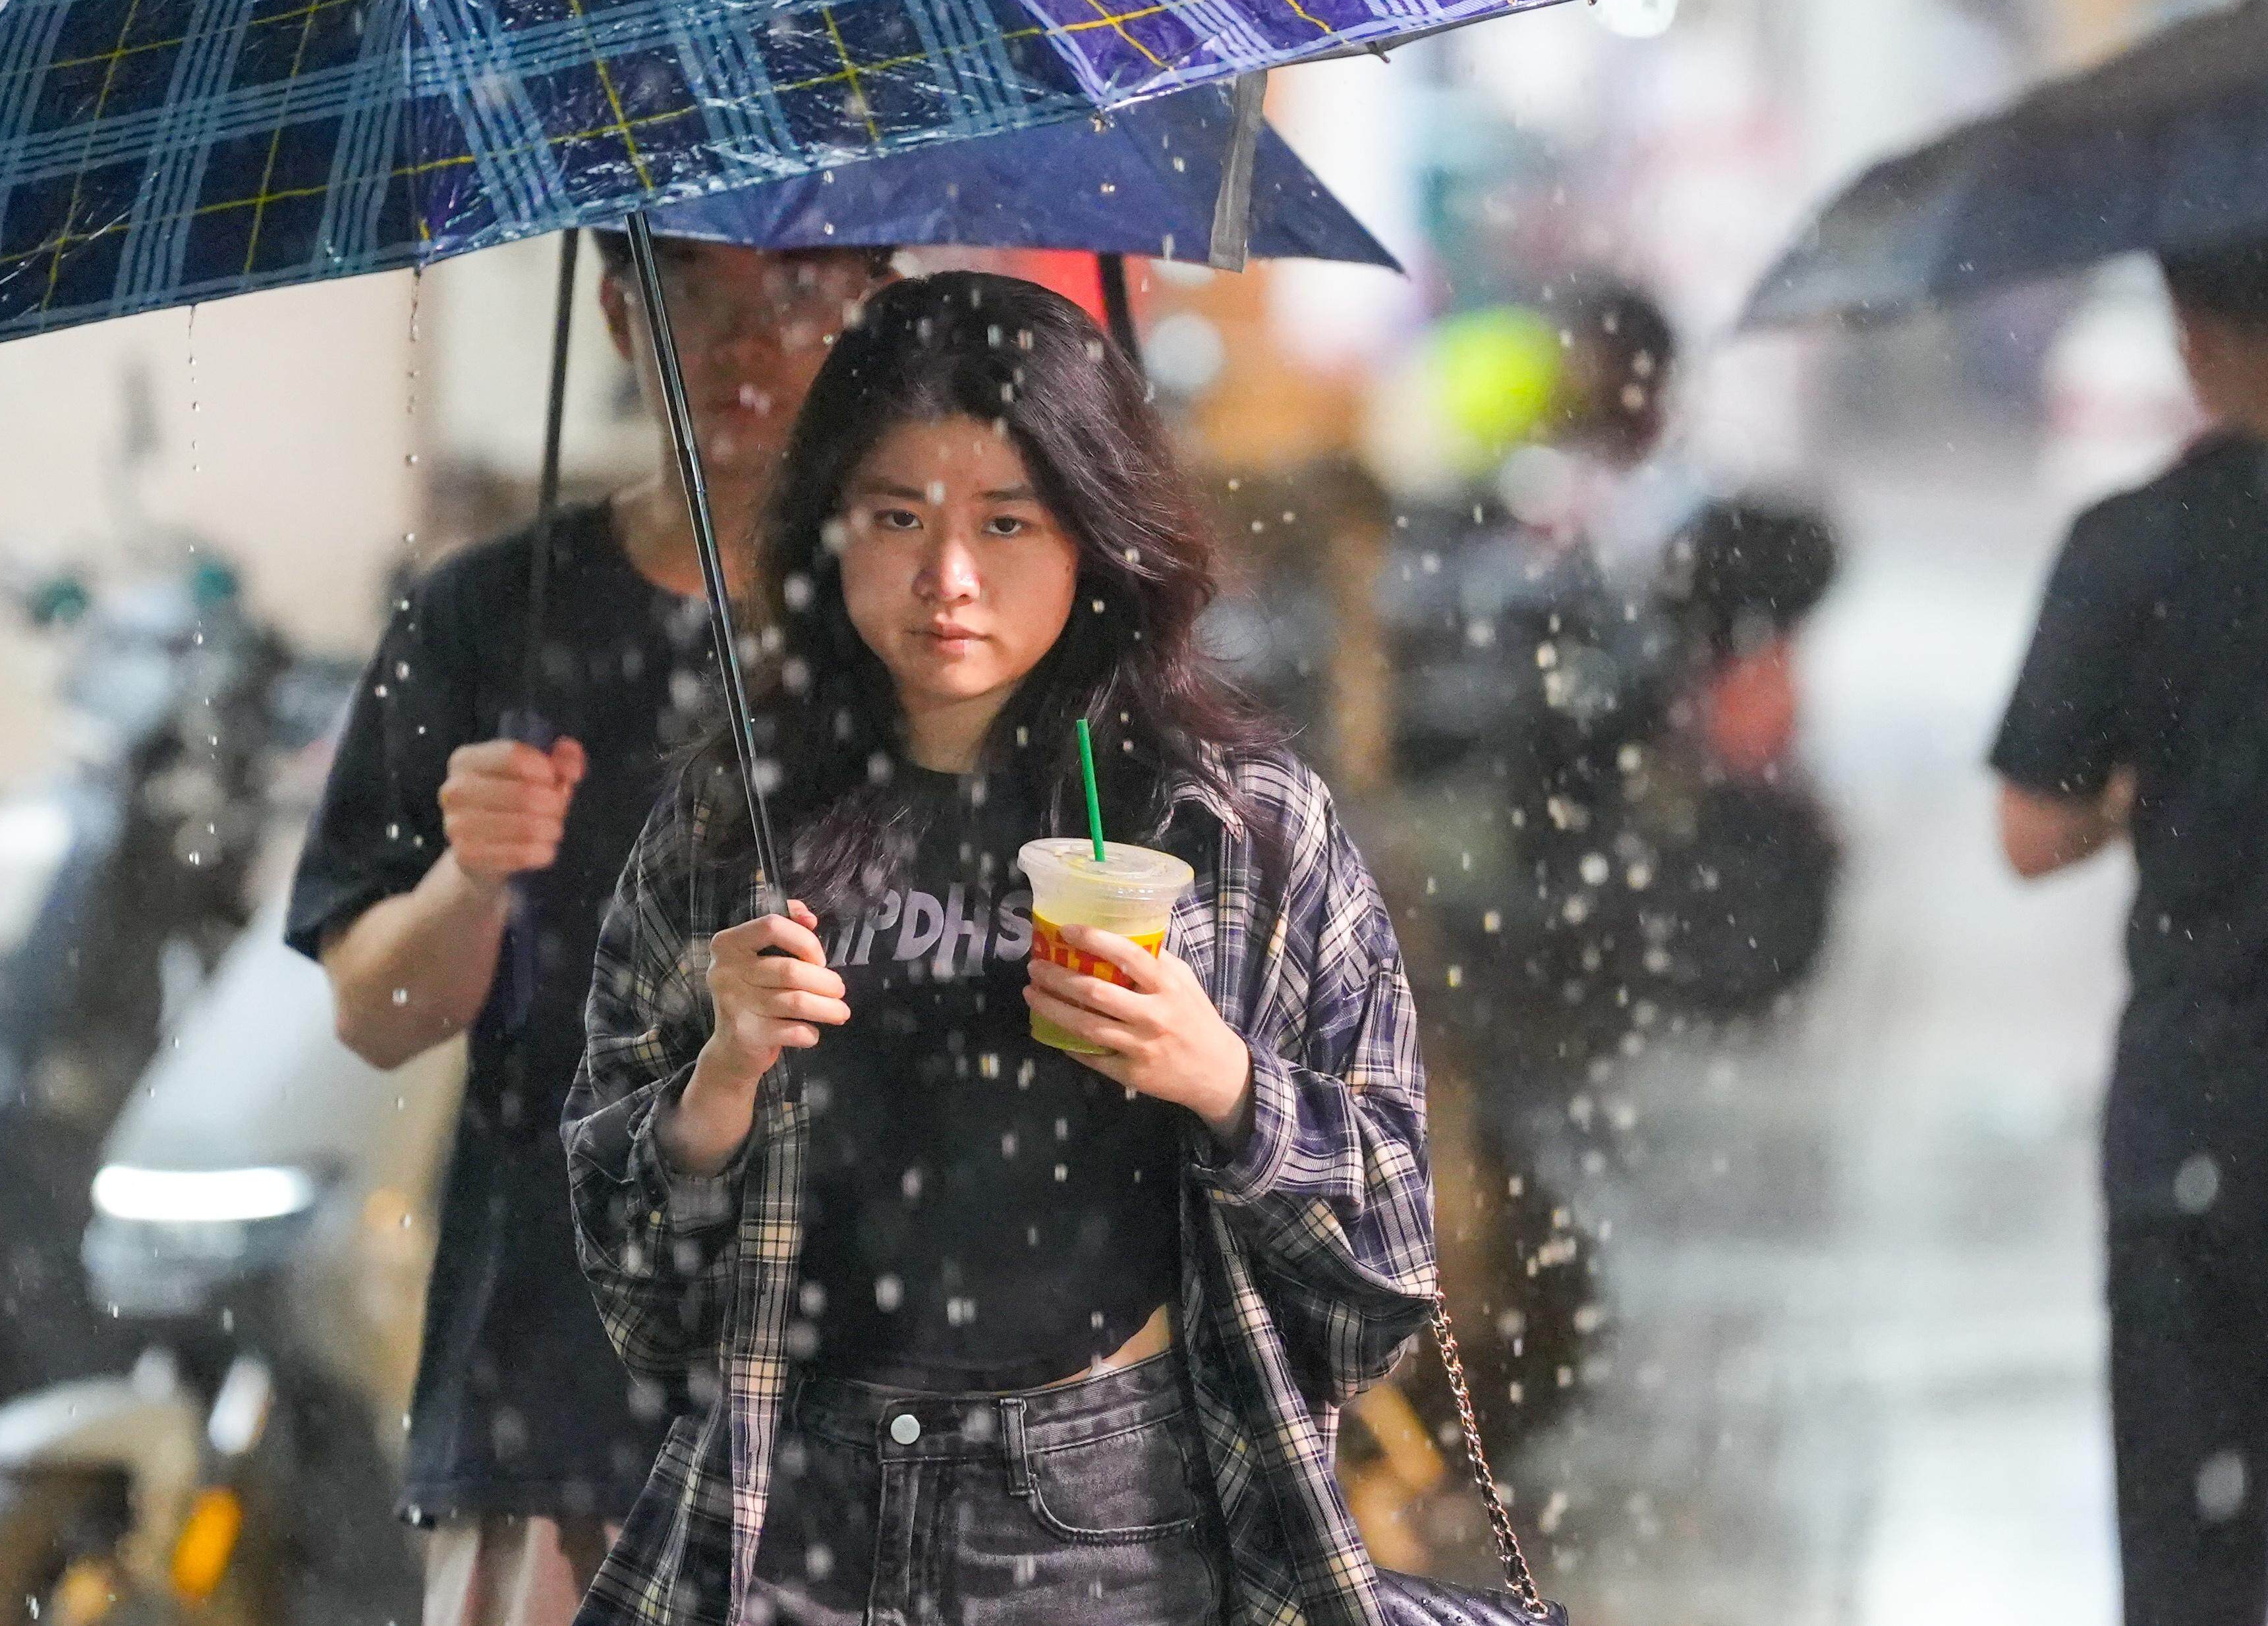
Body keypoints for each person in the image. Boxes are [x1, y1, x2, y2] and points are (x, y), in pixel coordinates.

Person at [563, 272, 1439, 1626]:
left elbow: (1381, 1284)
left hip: (1113, 1518)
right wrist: (715, 1090)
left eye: (1008, 522)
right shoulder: (731, 824)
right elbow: (638, 1306)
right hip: (792, 1513)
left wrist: (1217, 1076)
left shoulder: (1232, 831)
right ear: (827, 537)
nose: (946, 579)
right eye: (896, 518)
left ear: (1094, 536)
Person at [285, 233, 892, 1626]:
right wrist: (473, 876)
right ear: (620, 313)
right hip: (547, 1373)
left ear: (868, 313)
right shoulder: (487, 617)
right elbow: (376, 1014)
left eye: (799, 293)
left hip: (866, 1385)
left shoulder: (918, 622)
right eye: (698, 294)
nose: (748, 344)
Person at [1991, 228, 2268, 1626]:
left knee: (2193, 1565)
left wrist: (2147, 789)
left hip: (2204, 1134)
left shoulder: (2129, 544)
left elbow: (2029, 833)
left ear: (2188, 332)